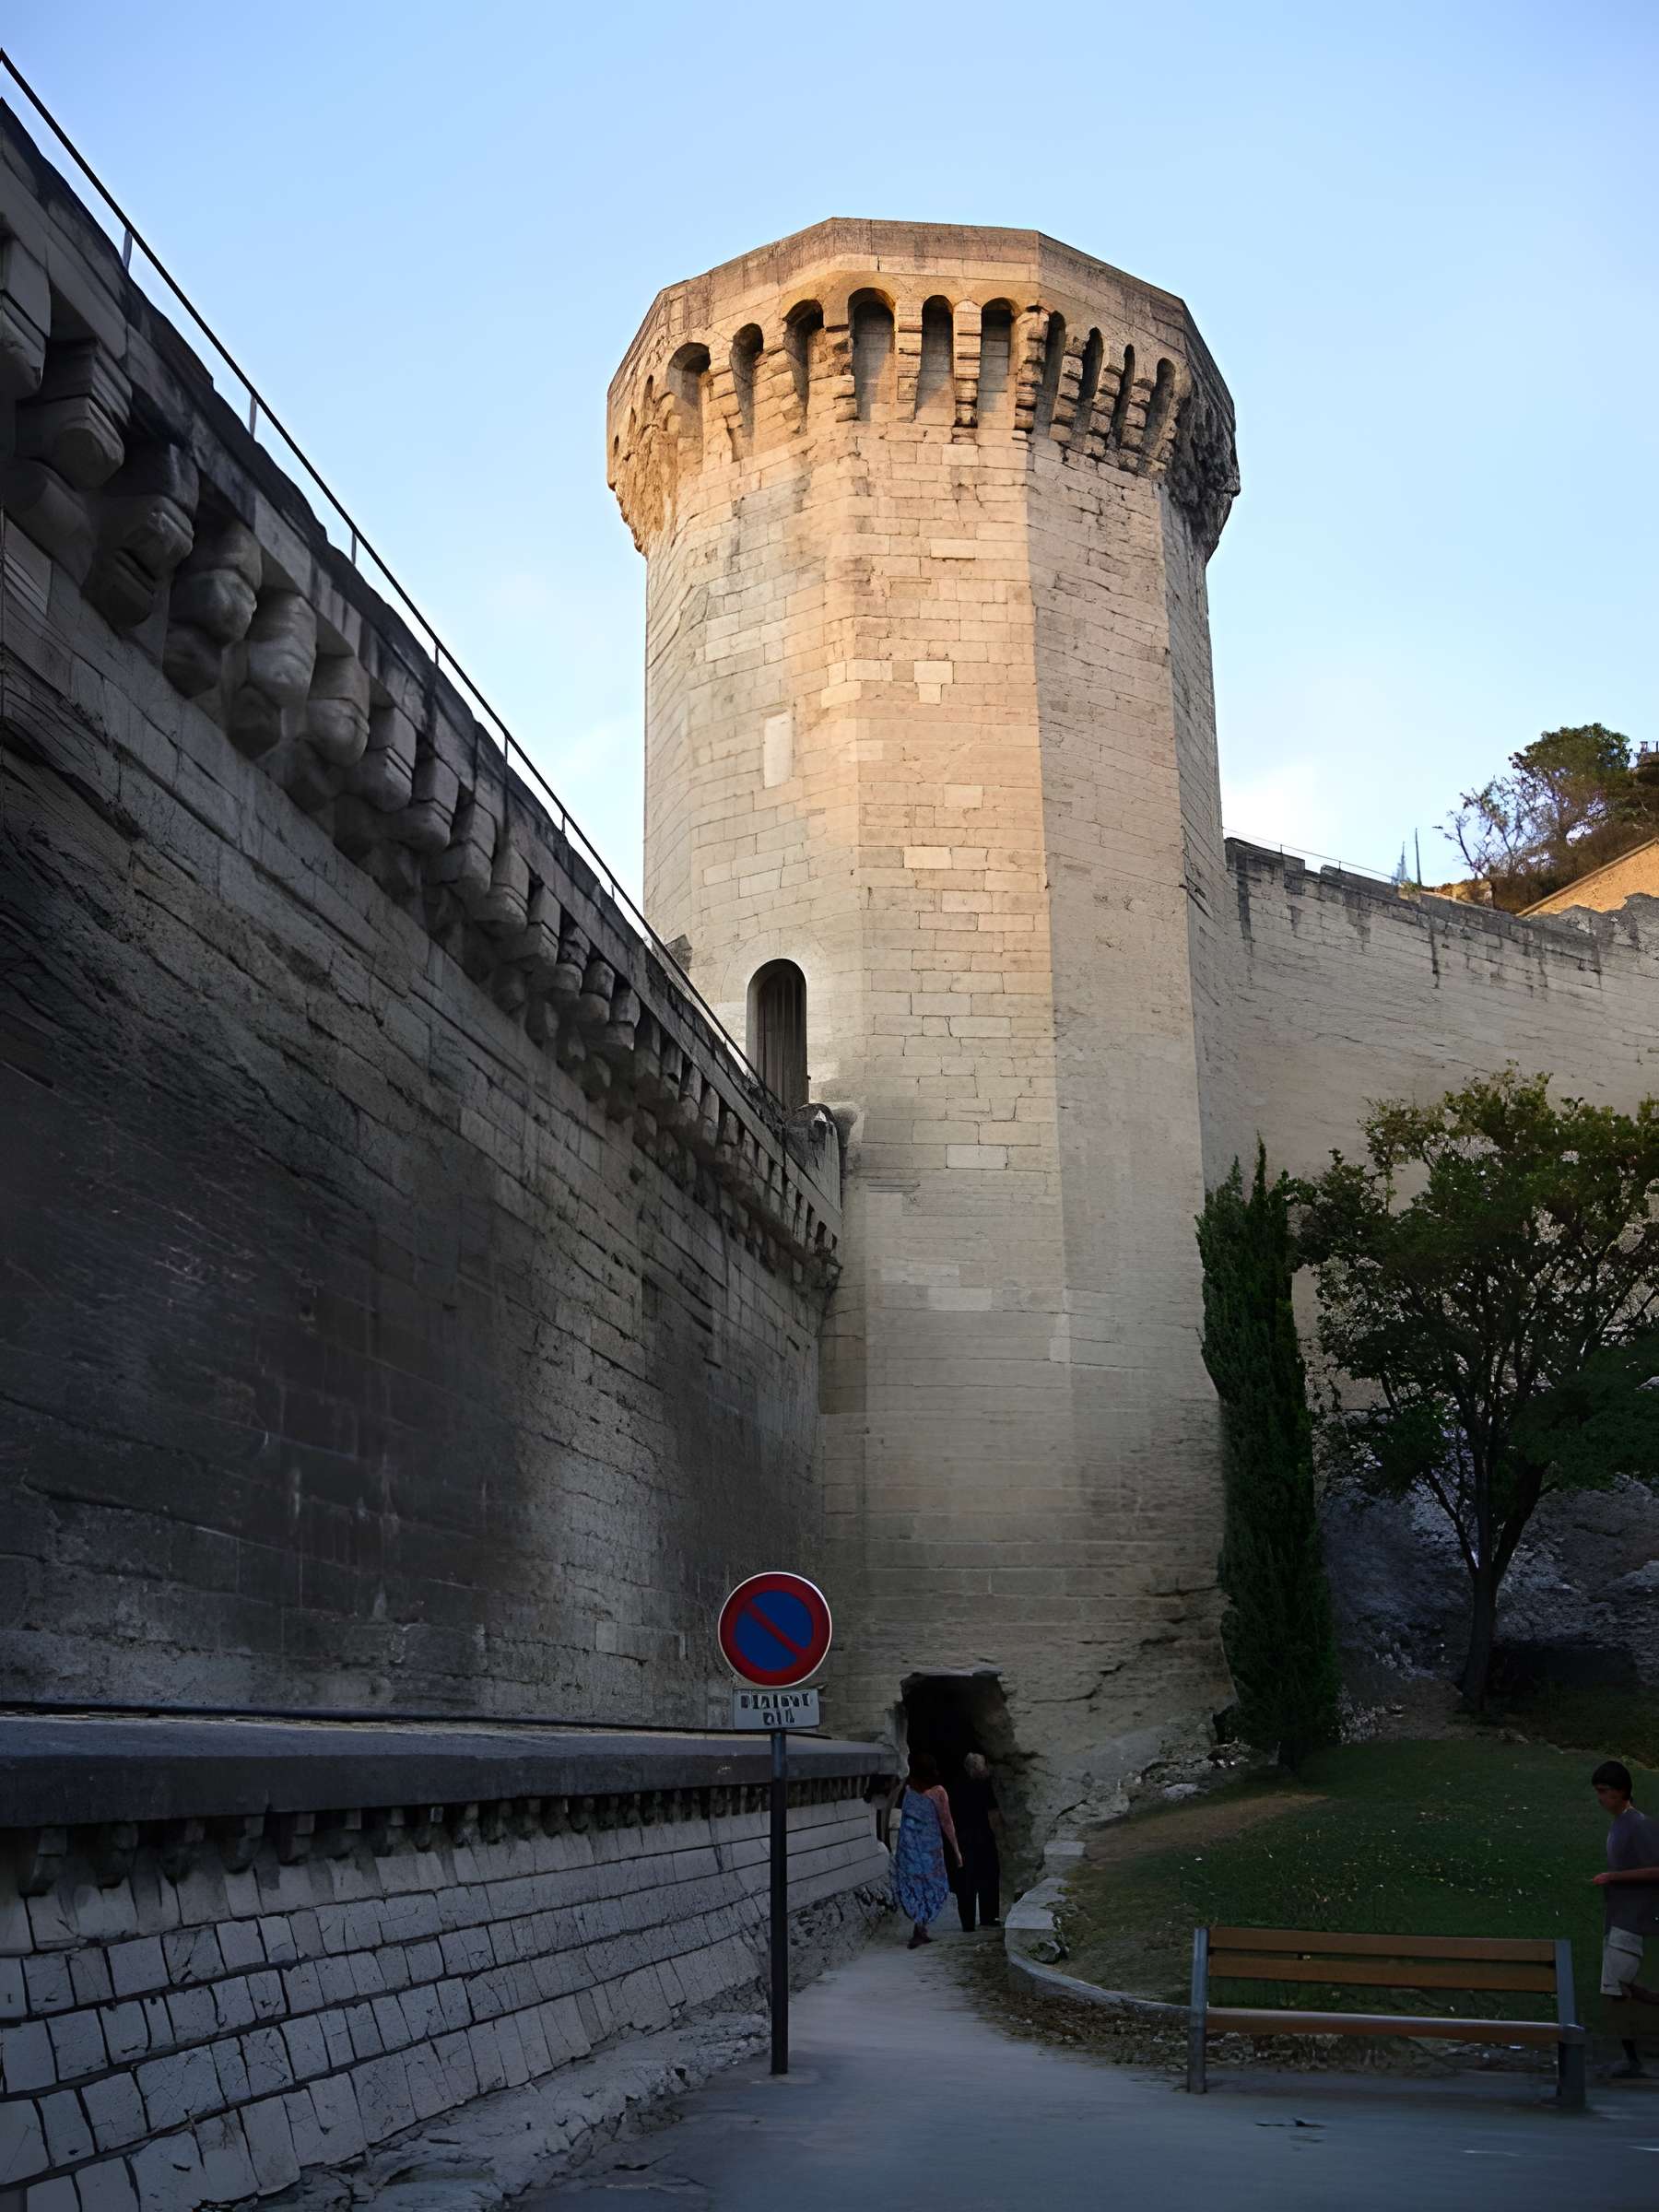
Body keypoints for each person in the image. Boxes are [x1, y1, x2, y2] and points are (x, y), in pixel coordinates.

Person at [1590, 1758, 1659, 2078]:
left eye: (1604, 1791)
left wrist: (1614, 1878)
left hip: (1633, 1921)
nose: (1600, 1798)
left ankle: (1633, 2059)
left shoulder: (1638, 1824)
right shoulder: (1619, 1824)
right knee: (1618, 1991)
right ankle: (1631, 2057)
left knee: (1621, 1992)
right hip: (1618, 1918)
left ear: (1621, 1792)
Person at [891, 1750, 960, 1947]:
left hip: (909, 1849)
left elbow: (896, 1813)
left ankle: (919, 1927)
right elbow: (947, 1823)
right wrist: (956, 1850)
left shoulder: (906, 1789)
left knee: (914, 1886)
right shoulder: (938, 1792)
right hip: (930, 1851)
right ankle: (921, 1928)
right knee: (933, 1885)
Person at [947, 1750, 1003, 1932]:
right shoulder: (984, 1784)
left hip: (961, 1837)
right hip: (983, 1836)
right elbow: (992, 1813)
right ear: (979, 1767)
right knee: (988, 1876)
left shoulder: (955, 1785)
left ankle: (968, 1922)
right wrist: (1000, 1836)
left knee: (966, 1881)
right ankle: (989, 1916)